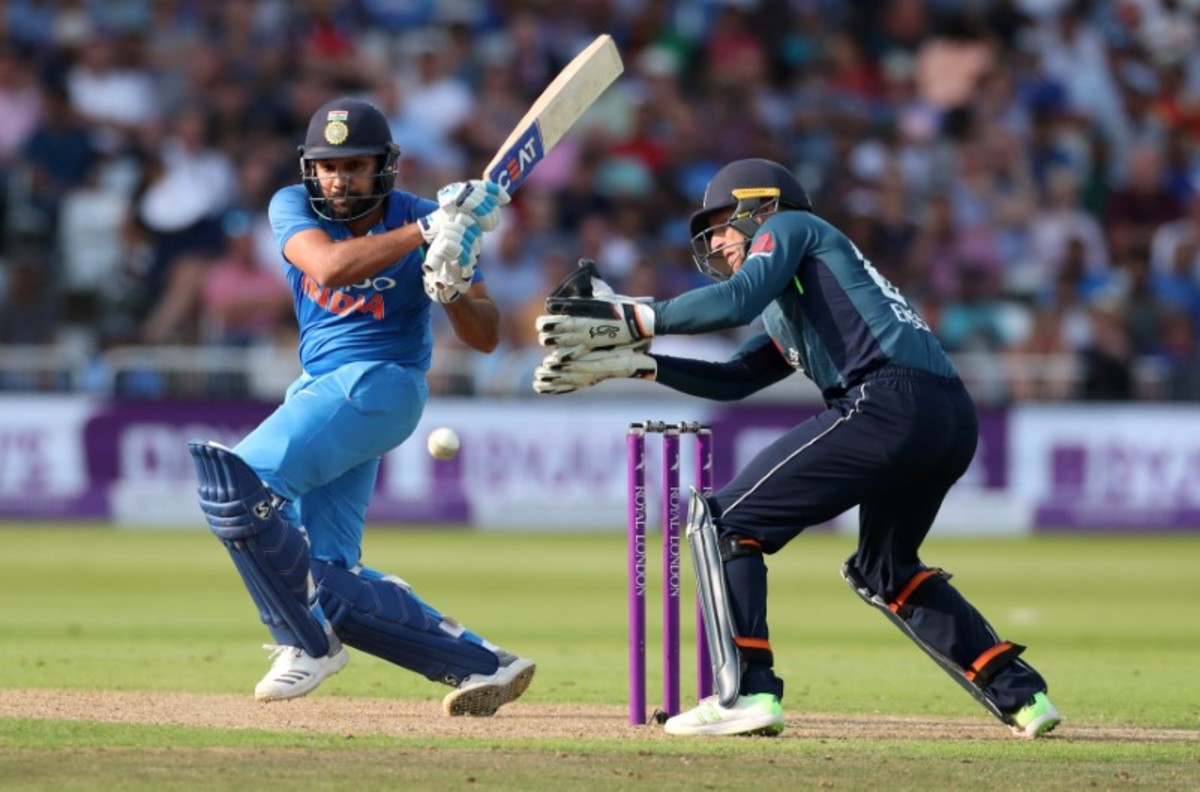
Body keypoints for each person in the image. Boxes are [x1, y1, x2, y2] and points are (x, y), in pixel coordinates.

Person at [533, 158, 1060, 738]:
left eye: (723, 226)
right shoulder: (799, 297)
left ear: (760, 205)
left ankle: (747, 692)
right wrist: (637, 364)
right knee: (885, 570)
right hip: (949, 416)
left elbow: (733, 302)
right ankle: (1022, 696)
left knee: (724, 521)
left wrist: (630, 316)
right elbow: (735, 378)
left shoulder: (791, 226)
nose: (718, 243)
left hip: (886, 400)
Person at [187, 97, 535, 716]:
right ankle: (482, 663)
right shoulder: (295, 206)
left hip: (383, 383)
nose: (339, 180)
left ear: (383, 167)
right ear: (310, 169)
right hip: (322, 386)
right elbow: (328, 267)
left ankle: (304, 642)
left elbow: (485, 337)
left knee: (236, 486)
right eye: (328, 167)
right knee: (328, 577)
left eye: (354, 166)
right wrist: (427, 234)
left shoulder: (428, 216)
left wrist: (451, 287)